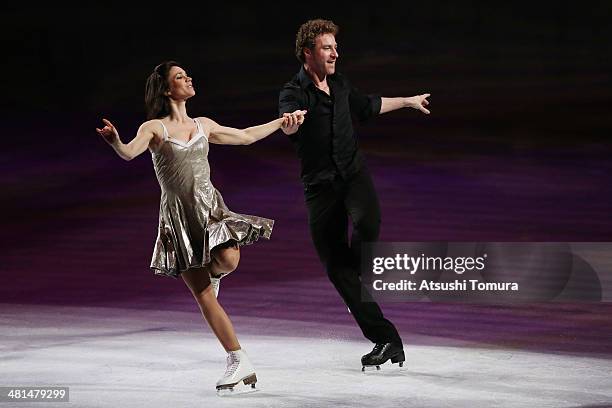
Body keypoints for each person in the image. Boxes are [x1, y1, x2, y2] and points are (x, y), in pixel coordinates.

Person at [96, 61, 305, 392]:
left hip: (210, 208)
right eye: (180, 77)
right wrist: (115, 141)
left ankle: (215, 276)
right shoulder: (154, 128)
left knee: (229, 260)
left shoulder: (203, 124)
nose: (188, 78)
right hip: (179, 218)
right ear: (167, 89)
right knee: (204, 296)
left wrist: (281, 122)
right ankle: (238, 360)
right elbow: (128, 153)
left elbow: (247, 136)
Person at [278, 19, 431, 370]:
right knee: (337, 270)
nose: (335, 52)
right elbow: (288, 120)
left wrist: (407, 101)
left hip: (353, 175)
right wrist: (290, 122)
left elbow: (369, 106)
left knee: (368, 224)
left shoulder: (342, 85)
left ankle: (356, 277)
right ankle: (387, 339)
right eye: (327, 47)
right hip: (320, 188)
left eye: (335, 46)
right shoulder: (292, 93)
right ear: (308, 53)